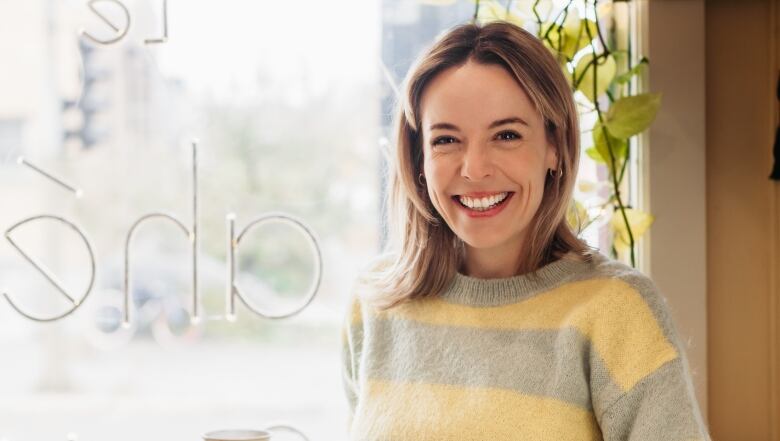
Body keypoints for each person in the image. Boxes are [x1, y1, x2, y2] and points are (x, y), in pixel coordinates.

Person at [341, 21, 711, 440]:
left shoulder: (616, 311)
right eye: (446, 140)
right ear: (419, 158)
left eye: (506, 135)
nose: (475, 168)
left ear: (554, 146)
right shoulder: (374, 304)